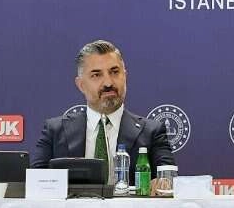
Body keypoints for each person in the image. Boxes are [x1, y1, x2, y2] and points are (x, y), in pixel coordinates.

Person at [31, 40, 175, 181]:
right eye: (96, 75)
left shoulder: (152, 132)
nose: (108, 83)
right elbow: (33, 182)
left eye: (114, 72)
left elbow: (168, 179)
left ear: (125, 76)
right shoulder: (55, 131)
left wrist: (162, 183)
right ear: (81, 85)